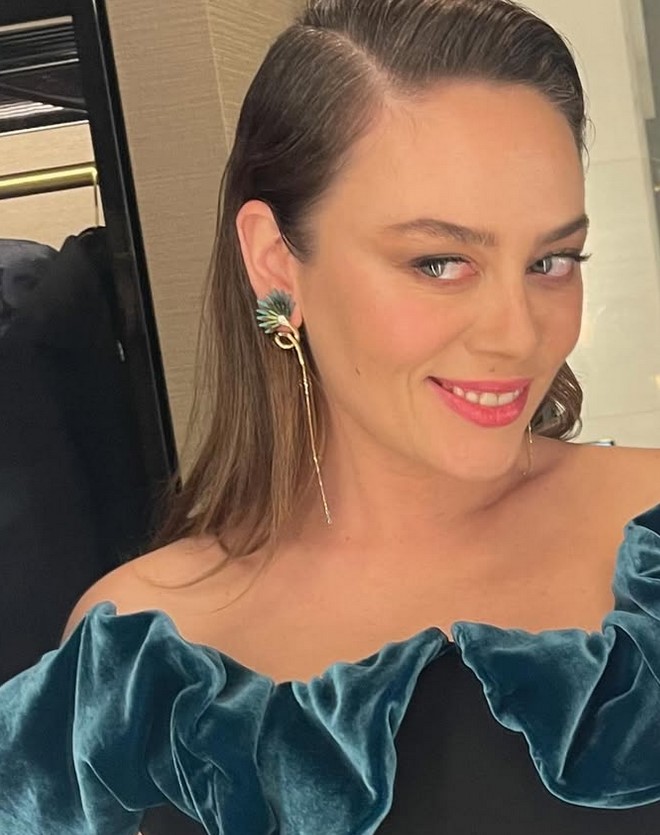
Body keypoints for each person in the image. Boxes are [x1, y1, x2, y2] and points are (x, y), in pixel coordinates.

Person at [2, 0, 660, 832]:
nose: (520, 334)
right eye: (439, 262)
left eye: (551, 260)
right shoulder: (139, 659)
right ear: (277, 264)